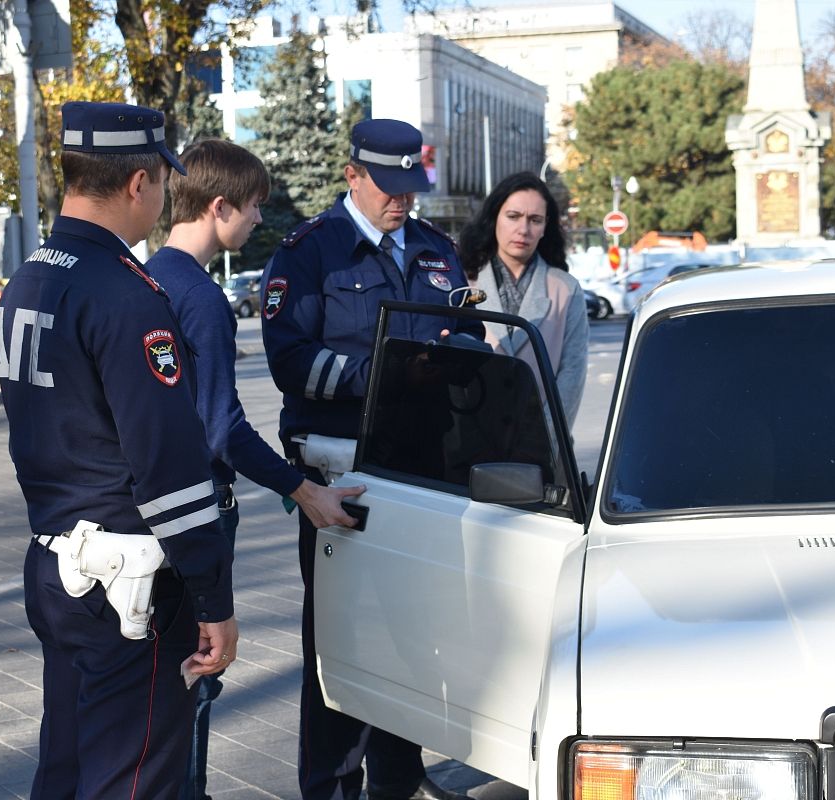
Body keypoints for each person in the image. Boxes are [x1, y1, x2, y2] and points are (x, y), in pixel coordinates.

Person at [0, 100, 238, 799]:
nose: (162, 198)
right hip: (127, 586)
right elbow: (168, 466)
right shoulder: (125, 295)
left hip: (55, 562)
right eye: (162, 182)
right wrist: (212, 597)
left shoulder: (29, 278)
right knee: (134, 780)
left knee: (65, 769)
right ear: (140, 183)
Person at [261, 118, 483, 800]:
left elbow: (470, 328)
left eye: (410, 188)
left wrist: (460, 357)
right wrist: (388, 377)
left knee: (412, 641)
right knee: (341, 644)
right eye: (389, 187)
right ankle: (330, 788)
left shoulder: (437, 250)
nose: (402, 201)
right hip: (343, 484)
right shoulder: (309, 254)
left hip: (423, 476)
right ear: (352, 174)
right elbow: (290, 361)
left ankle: (398, 781)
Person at [145, 138, 366, 800]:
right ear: (219, 207)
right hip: (201, 511)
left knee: (160, 696)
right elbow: (223, 429)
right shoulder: (201, 298)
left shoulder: (147, 276)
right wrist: (303, 490)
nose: (258, 223)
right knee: (196, 684)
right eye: (253, 209)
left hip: (149, 512)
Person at [457, 171, 588, 425]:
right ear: (494, 216)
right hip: (466, 439)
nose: (523, 229)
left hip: (541, 446)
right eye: (513, 216)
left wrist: (546, 441)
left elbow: (572, 374)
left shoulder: (566, 289)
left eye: (535, 220)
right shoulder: (461, 282)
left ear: (545, 227)